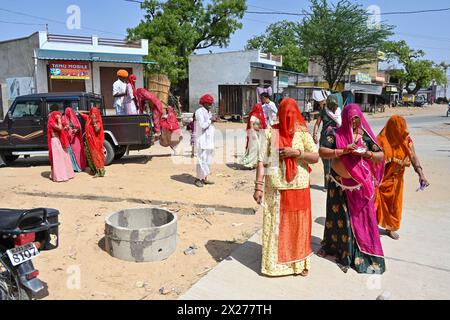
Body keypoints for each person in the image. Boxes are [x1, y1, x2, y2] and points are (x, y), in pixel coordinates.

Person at [253, 98, 319, 277]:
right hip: (276, 188)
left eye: (291, 113)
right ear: (279, 114)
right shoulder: (271, 132)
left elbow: (315, 157)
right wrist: (258, 186)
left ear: (296, 113)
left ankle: (298, 264)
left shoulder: (302, 133)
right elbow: (262, 160)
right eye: (285, 113)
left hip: (299, 186)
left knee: (298, 224)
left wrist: (296, 153)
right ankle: (276, 265)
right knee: (277, 225)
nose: (288, 117)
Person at [317, 104, 386, 274]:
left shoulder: (365, 136)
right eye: (351, 119)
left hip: (359, 186)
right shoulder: (334, 133)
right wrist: (342, 151)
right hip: (337, 185)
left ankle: (358, 253)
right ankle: (336, 249)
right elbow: (322, 151)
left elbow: (381, 155)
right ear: (346, 118)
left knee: (359, 219)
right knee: (338, 217)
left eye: (357, 118)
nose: (354, 122)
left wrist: (366, 154)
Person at [375, 115, 429, 240]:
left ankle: (391, 228)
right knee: (376, 204)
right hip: (381, 179)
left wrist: (421, 174)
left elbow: (413, 156)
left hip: (398, 180)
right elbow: (373, 161)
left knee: (395, 205)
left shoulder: (406, 140)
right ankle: (371, 226)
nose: (404, 131)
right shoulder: (381, 141)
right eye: (400, 128)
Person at [313, 94, 342, 189]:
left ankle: (334, 183)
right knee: (326, 162)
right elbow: (317, 124)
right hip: (325, 139)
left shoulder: (338, 112)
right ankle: (327, 184)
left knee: (335, 161)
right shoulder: (323, 111)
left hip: (337, 140)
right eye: (331, 105)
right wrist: (314, 134)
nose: (333, 107)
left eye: (334, 105)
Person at [194, 94, 216, 188]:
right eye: (208, 103)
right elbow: (202, 125)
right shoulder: (199, 112)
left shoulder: (208, 111)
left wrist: (213, 120)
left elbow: (209, 124)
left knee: (208, 159)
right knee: (201, 159)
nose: (210, 105)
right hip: (201, 139)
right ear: (203, 103)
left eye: (211, 103)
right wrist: (211, 120)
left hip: (209, 139)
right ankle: (198, 179)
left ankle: (204, 178)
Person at [47, 110, 74, 182]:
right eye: (57, 115)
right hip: (55, 141)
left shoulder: (56, 121)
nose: (58, 116)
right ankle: (60, 176)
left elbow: (64, 125)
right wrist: (59, 120)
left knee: (63, 158)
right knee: (57, 159)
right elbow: (59, 128)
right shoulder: (51, 122)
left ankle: (67, 174)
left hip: (58, 140)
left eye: (59, 115)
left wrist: (66, 126)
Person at [240, 103, 267, 169]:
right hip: (254, 134)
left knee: (259, 148)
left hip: (259, 133)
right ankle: (250, 163)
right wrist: (253, 134)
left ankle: (255, 164)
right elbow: (251, 125)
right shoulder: (253, 115)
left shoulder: (261, 115)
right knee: (254, 148)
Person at [81, 107, 105, 177]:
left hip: (96, 142)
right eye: (92, 112)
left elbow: (97, 129)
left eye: (94, 113)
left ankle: (99, 172)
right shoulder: (88, 119)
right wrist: (89, 112)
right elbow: (79, 112)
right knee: (90, 156)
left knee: (96, 155)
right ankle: (94, 170)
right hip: (89, 141)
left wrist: (94, 120)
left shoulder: (98, 121)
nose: (93, 114)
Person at [63, 107, 86, 172]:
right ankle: (73, 168)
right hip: (68, 138)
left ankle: (79, 167)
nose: (68, 113)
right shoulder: (63, 118)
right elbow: (62, 128)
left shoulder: (75, 118)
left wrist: (76, 130)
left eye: (70, 112)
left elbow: (79, 128)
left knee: (78, 152)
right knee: (70, 153)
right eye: (67, 112)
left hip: (76, 138)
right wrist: (67, 129)